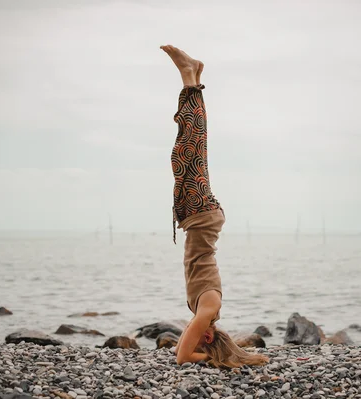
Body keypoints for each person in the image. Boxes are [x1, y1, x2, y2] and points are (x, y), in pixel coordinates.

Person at [160, 45, 268, 368]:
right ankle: (189, 77)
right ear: (212, 336)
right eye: (208, 339)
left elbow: (183, 346)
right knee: (188, 149)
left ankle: (193, 75)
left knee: (190, 151)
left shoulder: (204, 310)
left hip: (202, 220)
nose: (198, 336)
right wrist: (208, 357)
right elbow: (182, 357)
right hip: (202, 219)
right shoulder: (208, 309)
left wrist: (209, 352)